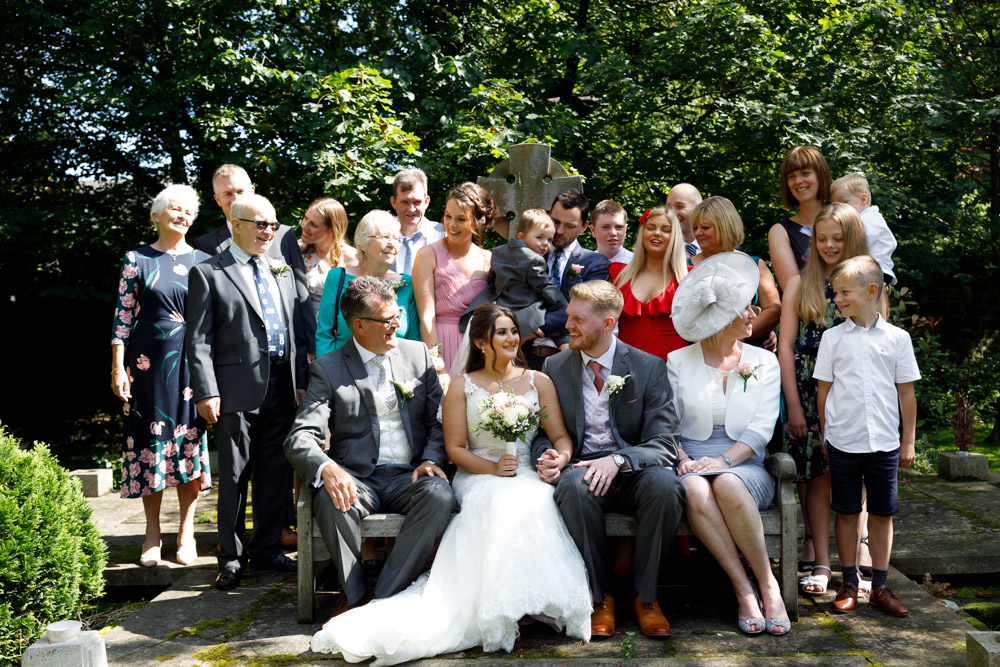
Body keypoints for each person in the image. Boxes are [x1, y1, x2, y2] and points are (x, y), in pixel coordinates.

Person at [308, 303, 591, 664]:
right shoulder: (462, 386)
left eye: (513, 331)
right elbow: (455, 449)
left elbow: (560, 437)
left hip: (524, 472)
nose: (511, 338)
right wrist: (491, 467)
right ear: (480, 342)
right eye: (501, 332)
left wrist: (560, 458)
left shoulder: (539, 381)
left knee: (535, 497)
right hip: (477, 474)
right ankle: (499, 606)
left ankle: (529, 601)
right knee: (500, 503)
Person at [283, 276, 456, 623]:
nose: (397, 325)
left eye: (398, 317)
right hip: (357, 477)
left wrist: (430, 458)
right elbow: (299, 436)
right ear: (359, 325)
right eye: (388, 320)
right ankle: (355, 595)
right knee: (331, 500)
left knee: (440, 496)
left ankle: (385, 594)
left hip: (409, 475)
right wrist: (327, 468)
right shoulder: (328, 369)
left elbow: (439, 421)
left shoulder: (417, 354)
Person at [533, 280, 684, 639]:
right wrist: (549, 455)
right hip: (582, 468)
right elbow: (543, 430)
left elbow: (664, 442)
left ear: (608, 324)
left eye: (577, 319)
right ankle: (599, 598)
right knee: (571, 487)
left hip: (633, 470)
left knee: (666, 486)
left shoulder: (648, 367)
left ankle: (646, 599)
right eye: (568, 316)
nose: (567, 325)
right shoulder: (554, 366)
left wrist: (618, 460)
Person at [186, 194, 309, 590]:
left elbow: (296, 330)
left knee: (275, 471)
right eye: (259, 224)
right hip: (234, 389)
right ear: (235, 223)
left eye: (273, 225)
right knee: (236, 475)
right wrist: (207, 391)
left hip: (282, 384)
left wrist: (301, 383)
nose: (268, 232)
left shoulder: (283, 270)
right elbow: (199, 338)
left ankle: (268, 549)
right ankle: (232, 556)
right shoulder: (209, 272)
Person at [666, 251, 790, 636]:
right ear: (723, 318)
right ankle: (743, 589)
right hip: (690, 466)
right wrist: (685, 459)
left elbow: (760, 430)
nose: (755, 315)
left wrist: (721, 460)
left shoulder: (764, 362)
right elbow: (667, 424)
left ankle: (769, 584)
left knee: (727, 482)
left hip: (745, 465)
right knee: (694, 488)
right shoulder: (676, 360)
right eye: (746, 309)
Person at [110, 184, 211, 568]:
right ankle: (152, 532)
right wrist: (117, 366)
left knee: (187, 442)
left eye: (188, 210)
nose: (182, 215)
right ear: (156, 215)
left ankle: (186, 531)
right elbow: (122, 319)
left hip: (190, 366)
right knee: (148, 444)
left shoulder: (204, 261)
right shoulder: (137, 259)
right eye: (174, 209)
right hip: (146, 368)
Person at [816, 255, 920, 618]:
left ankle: (879, 586)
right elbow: (823, 391)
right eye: (835, 292)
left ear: (871, 290)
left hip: (884, 445)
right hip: (844, 442)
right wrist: (827, 437)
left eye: (844, 292)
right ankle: (848, 582)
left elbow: (906, 392)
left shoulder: (897, 339)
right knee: (845, 511)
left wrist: (908, 441)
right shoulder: (832, 338)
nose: (837, 299)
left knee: (882, 513)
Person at [778, 203, 871, 596]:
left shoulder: (870, 286)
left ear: (853, 239)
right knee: (814, 476)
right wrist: (795, 407)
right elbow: (784, 349)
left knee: (853, 475)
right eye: (822, 238)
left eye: (838, 238)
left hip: (852, 396)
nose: (829, 245)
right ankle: (820, 562)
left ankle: (858, 563)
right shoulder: (802, 284)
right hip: (807, 394)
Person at [194, 164, 315, 356]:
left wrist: (311, 348)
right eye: (227, 194)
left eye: (240, 191)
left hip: (287, 356)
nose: (235, 199)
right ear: (217, 200)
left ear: (252, 191)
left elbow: (300, 295)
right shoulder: (206, 245)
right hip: (239, 357)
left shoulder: (283, 235)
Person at [412, 182, 493, 383]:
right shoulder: (428, 255)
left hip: (477, 349)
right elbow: (426, 318)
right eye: (448, 216)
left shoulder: (489, 260)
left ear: (476, 222)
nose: (451, 225)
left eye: (460, 219)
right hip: (440, 342)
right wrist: (439, 367)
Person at [525, 189, 610, 369]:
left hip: (568, 360)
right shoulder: (527, 253)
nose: (559, 230)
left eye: (569, 226)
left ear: (584, 226)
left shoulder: (595, 263)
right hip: (521, 356)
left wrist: (527, 324)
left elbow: (586, 310)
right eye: (555, 222)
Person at [315, 211, 420, 357]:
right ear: (363, 243)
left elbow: (414, 340)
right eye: (384, 237)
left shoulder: (407, 284)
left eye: (396, 239)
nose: (392, 244)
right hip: (346, 369)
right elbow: (324, 334)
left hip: (393, 371)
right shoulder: (338, 277)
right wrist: (329, 372)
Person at [461, 209, 568, 346]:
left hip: (501, 306)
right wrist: (564, 307)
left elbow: (492, 279)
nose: (545, 243)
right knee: (561, 323)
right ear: (521, 236)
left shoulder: (499, 251)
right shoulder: (535, 260)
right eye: (539, 237)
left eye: (549, 239)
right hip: (523, 310)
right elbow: (545, 287)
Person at [690, 196, 781, 348]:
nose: (698, 233)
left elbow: (773, 308)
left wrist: (739, 337)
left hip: (748, 351)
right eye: (695, 228)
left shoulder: (755, 264)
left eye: (705, 228)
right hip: (702, 351)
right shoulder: (687, 267)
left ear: (724, 227)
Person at [610, 207, 688, 361]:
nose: (657, 233)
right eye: (651, 228)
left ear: (675, 237)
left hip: (675, 368)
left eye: (666, 230)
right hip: (626, 367)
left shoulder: (688, 277)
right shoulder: (617, 273)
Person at [769, 146, 833, 291]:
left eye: (805, 173)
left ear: (820, 175)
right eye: (791, 176)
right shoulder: (780, 231)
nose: (798, 181)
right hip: (808, 310)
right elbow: (792, 290)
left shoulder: (845, 218)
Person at [830, 174, 897, 286]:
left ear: (863, 199)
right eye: (835, 205)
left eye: (844, 203)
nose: (840, 209)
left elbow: (860, 239)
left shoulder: (868, 219)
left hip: (876, 270)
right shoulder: (864, 217)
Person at [299, 197, 359, 318]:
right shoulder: (298, 250)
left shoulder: (353, 258)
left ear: (332, 230)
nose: (305, 226)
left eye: (313, 224)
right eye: (305, 218)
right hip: (305, 323)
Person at [389, 168, 445, 275]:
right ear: (393, 202)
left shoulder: (443, 234)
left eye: (417, 202)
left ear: (426, 201)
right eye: (404, 202)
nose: (411, 209)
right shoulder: (379, 235)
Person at [666, 183, 703, 258]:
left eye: (679, 206)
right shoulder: (662, 249)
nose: (672, 213)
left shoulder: (714, 245)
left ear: (697, 208)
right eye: (668, 208)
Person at [590, 199, 633, 264]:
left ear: (625, 230)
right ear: (593, 230)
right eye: (606, 227)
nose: (613, 233)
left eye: (619, 227)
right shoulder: (583, 264)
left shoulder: (638, 264)